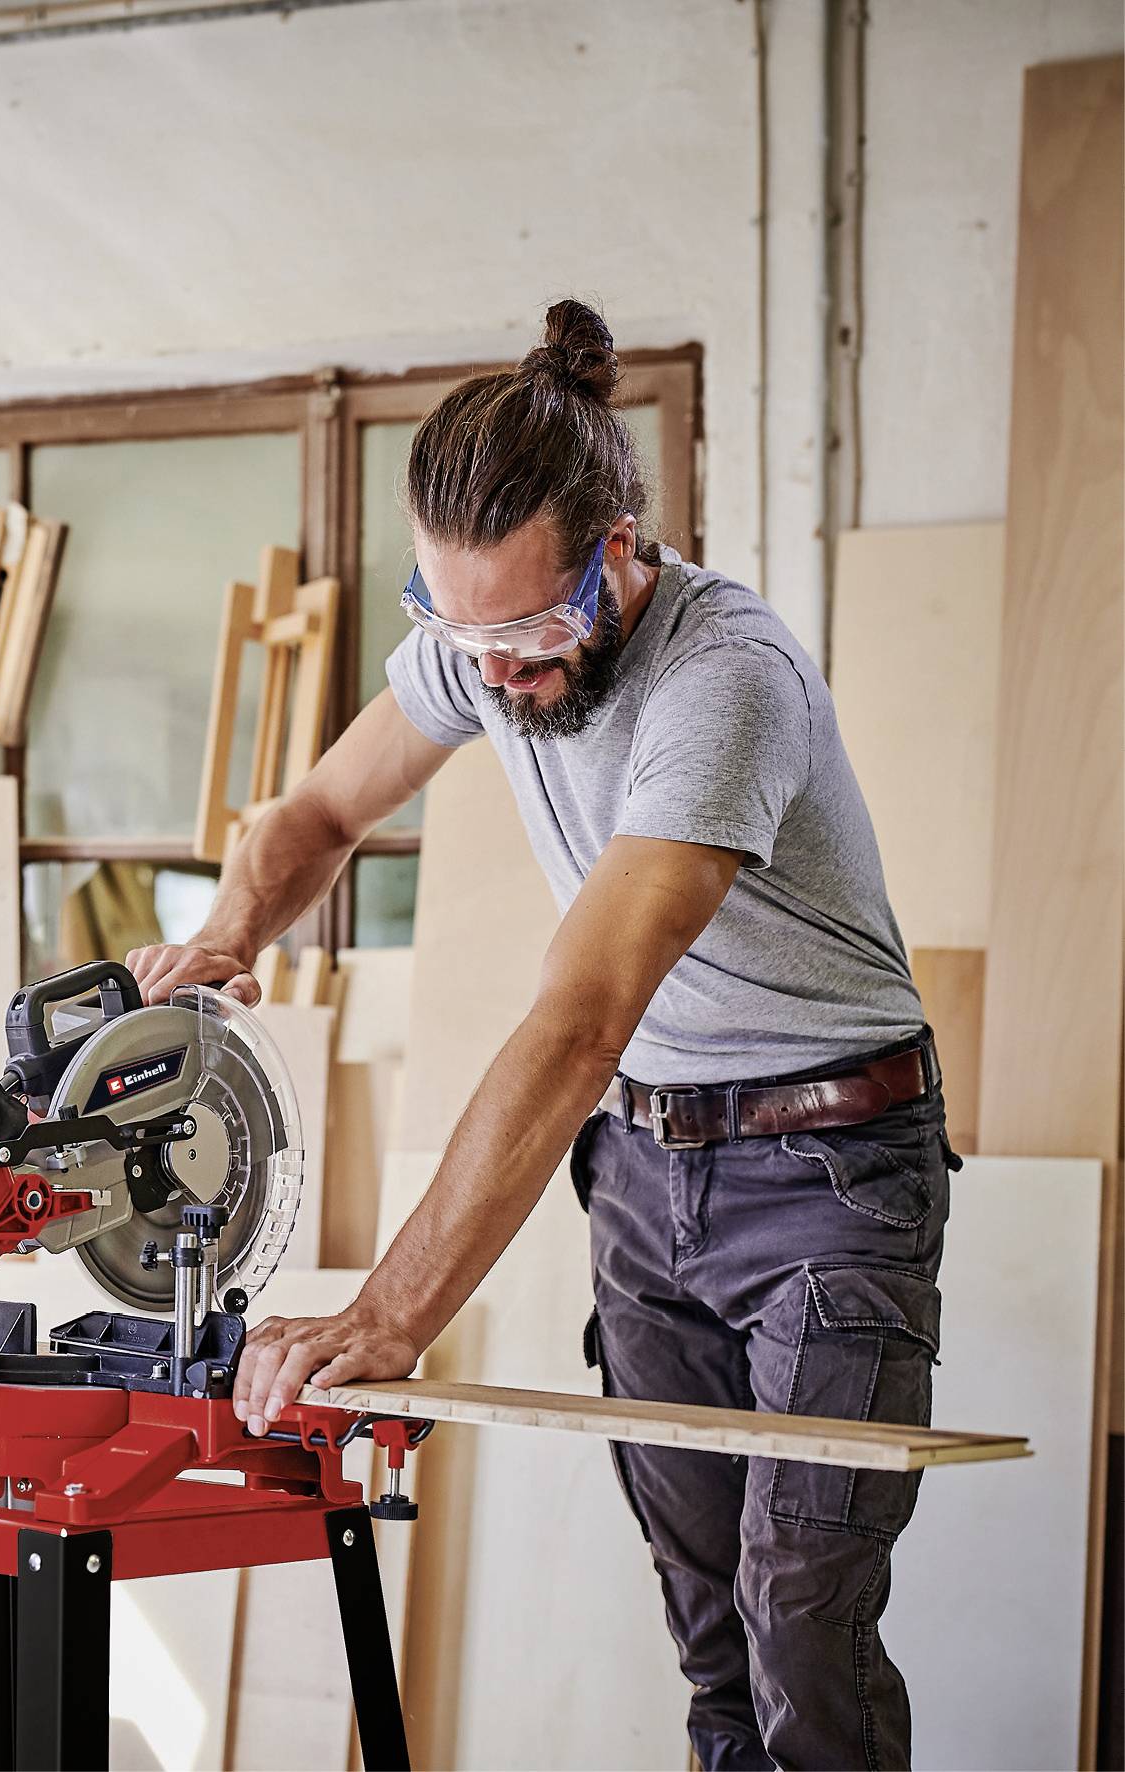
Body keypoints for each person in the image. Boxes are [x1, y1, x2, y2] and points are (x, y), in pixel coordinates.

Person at [127, 298, 954, 1771]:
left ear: (623, 544)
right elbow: (314, 815)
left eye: (531, 631)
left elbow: (580, 1019)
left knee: (802, 1628)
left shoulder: (727, 684)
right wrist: (227, 937)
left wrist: (390, 1313)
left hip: (827, 1176)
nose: (497, 675)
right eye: (460, 634)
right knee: (710, 1631)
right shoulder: (477, 644)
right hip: (648, 1170)